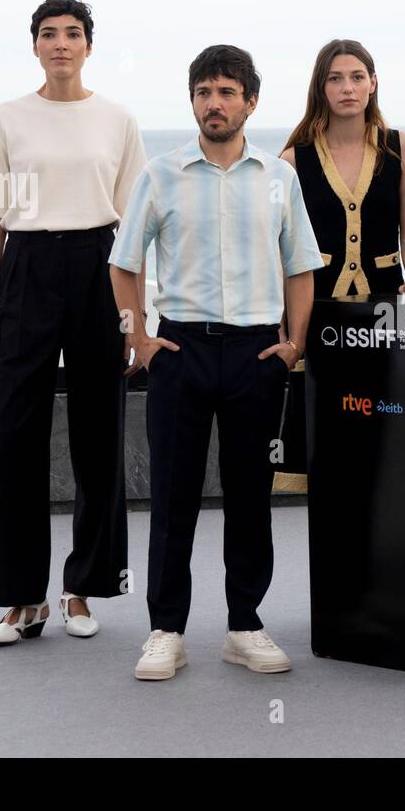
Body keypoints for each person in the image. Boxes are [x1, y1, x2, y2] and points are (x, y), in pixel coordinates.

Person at [109, 44, 324, 681]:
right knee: (173, 497)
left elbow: (301, 267)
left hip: (258, 352)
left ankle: (244, 626)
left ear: (250, 102)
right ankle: (165, 631)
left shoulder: (278, 178)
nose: (215, 103)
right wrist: (138, 338)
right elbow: (124, 262)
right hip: (181, 350)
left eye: (228, 92)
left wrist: (294, 345)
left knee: (251, 497)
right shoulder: (162, 172)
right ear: (193, 101)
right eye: (204, 91)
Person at [0, 0, 147, 646]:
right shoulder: (8, 118)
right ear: (36, 46)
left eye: (73, 34)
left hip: (100, 265)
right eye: (50, 34)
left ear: (89, 46)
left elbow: (135, 225)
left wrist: (137, 312)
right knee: (13, 435)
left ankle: (82, 590)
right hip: (28, 266)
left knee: (99, 433)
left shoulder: (117, 119)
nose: (61, 44)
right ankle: (23, 600)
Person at [272, 39, 405, 490]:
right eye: (335, 78)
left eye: (357, 77)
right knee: (322, 436)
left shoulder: (402, 148)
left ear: (373, 83)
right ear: (321, 87)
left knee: (380, 430)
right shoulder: (293, 160)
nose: (348, 88)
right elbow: (284, 249)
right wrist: (284, 325)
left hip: (384, 307)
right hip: (316, 311)